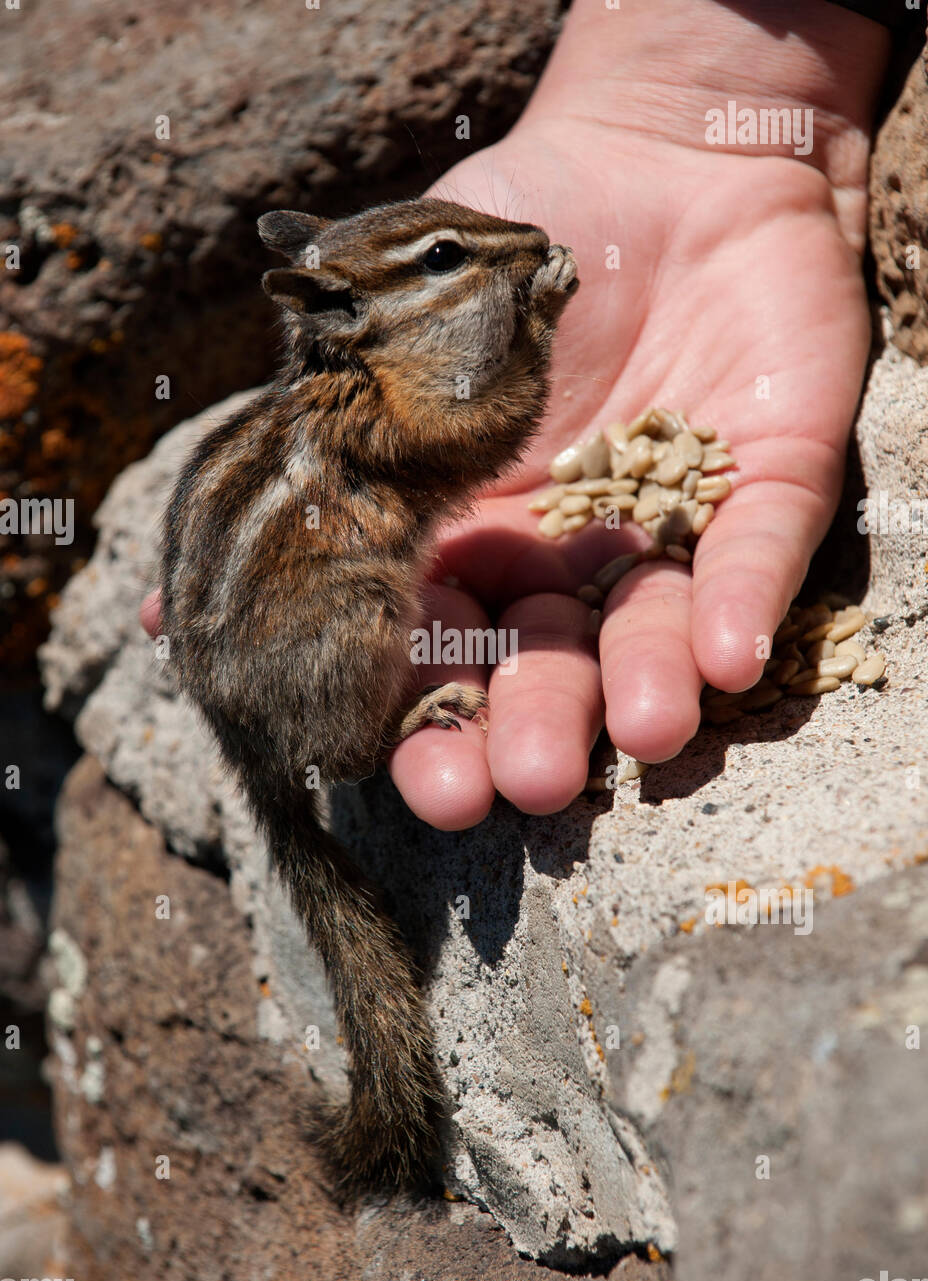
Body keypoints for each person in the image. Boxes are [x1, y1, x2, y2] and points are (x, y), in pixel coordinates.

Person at [141, 0, 895, 830]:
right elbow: (488, 441)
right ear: (346, 314)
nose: (516, 247)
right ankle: (357, 741)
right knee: (353, 620)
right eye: (445, 261)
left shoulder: (374, 387)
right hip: (310, 640)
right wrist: (535, 328)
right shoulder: (385, 421)